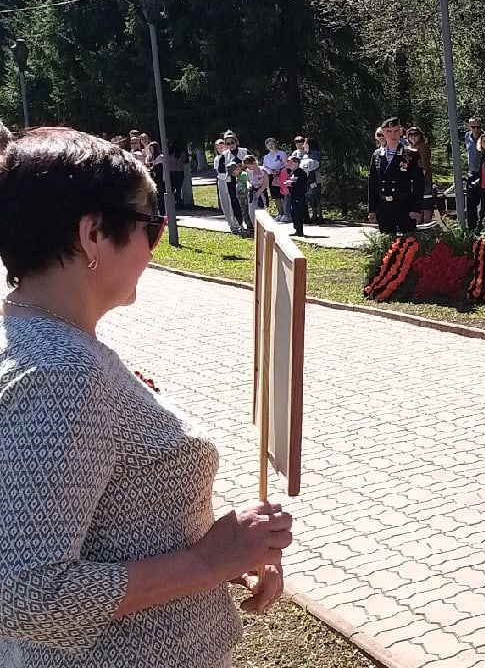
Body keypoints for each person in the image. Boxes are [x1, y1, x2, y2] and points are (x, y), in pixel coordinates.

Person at [0, 127, 294, 666]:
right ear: (92, 234)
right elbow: (26, 595)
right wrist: (211, 559)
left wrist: (227, 550)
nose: (154, 247)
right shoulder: (63, 375)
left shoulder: (36, 339)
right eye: (150, 227)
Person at [368, 118, 427, 234]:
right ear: (383, 133)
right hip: (384, 207)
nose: (393, 135)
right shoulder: (377, 155)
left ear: (400, 132)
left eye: (396, 131)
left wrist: (416, 208)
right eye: (389, 131)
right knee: (388, 244)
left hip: (404, 206)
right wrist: (372, 210)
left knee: (406, 245)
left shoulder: (410, 154)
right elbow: (373, 183)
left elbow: (418, 183)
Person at [463, 116, 485, 231]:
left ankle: (484, 228)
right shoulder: (467, 136)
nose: (476, 130)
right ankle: (471, 229)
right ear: (469, 127)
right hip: (472, 173)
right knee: (471, 202)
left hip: (484, 173)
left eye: (478, 127)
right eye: (473, 127)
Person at [212, 136, 247, 235]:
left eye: (232, 142)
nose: (231, 145)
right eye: (228, 143)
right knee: (234, 202)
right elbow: (221, 170)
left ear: (236, 142)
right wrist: (231, 172)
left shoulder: (244, 151)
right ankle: (238, 224)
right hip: (230, 182)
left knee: (248, 202)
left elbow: (252, 162)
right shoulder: (224, 156)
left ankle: (251, 224)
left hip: (245, 180)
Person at [405, 127, 437, 226]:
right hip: (414, 181)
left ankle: (427, 230)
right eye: (410, 135)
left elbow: (424, 166)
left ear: (420, 135)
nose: (413, 136)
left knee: (426, 206)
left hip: (423, 181)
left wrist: (418, 180)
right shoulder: (409, 148)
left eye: (416, 134)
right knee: (417, 207)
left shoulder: (422, 147)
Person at [260, 138, 289, 222]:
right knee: (276, 196)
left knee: (283, 195)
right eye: (269, 144)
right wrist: (271, 171)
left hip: (282, 175)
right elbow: (265, 167)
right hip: (272, 176)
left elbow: (285, 164)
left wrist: (279, 170)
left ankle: (286, 213)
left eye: (272, 144)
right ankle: (280, 213)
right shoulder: (266, 156)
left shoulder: (281, 153)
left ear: (275, 144)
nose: (271, 146)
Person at [285, 154, 310, 237]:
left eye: (290, 162)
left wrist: (291, 184)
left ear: (296, 163)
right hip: (294, 195)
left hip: (299, 196)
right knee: (293, 213)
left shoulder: (301, 172)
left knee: (298, 213)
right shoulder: (293, 172)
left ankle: (300, 231)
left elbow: (301, 184)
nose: (288, 164)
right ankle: (296, 229)